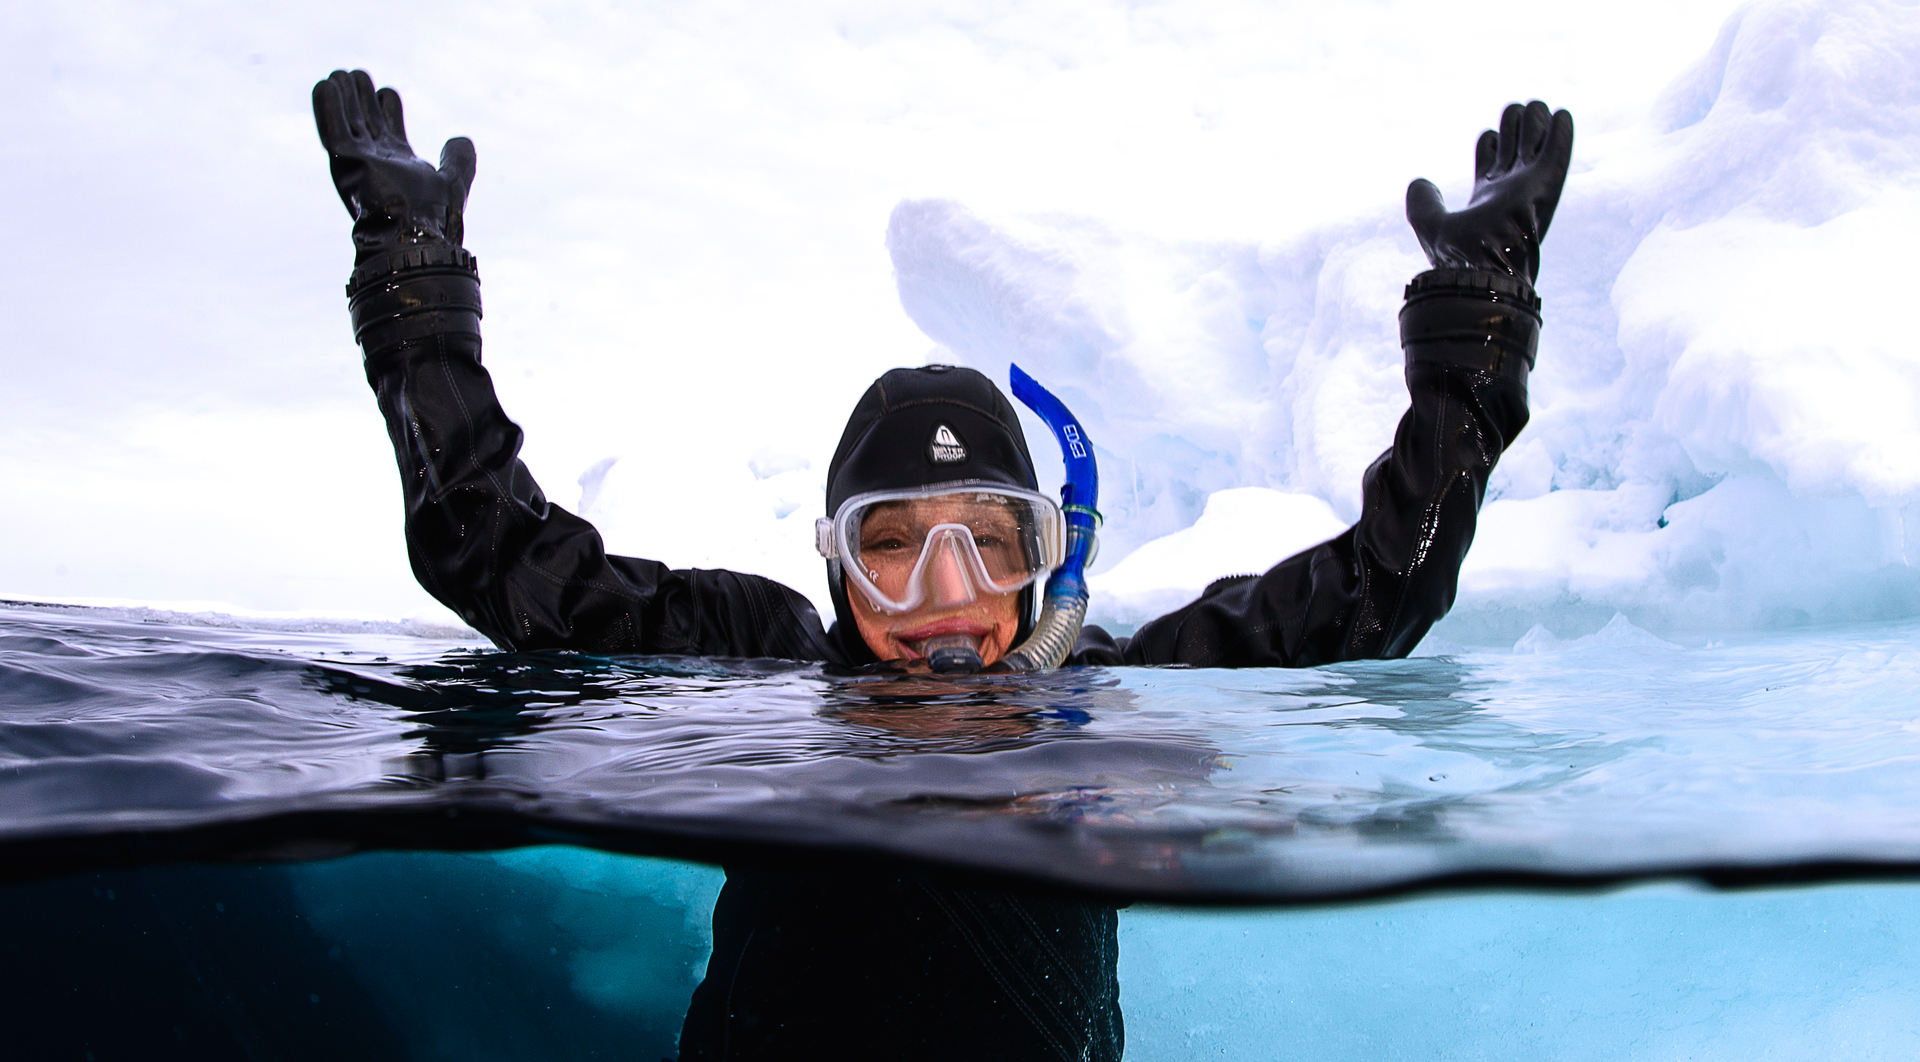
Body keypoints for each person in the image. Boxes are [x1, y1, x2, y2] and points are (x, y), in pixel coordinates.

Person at [313, 69, 1572, 1061]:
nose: (949, 598)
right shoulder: (757, 670)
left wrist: (1475, 329)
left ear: (1046, 561)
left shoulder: (1116, 693)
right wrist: (415, 291)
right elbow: (496, 549)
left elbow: (1377, 590)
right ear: (836, 569)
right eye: (895, 549)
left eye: (988, 541)